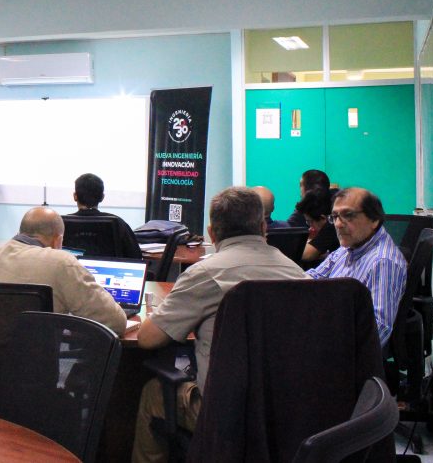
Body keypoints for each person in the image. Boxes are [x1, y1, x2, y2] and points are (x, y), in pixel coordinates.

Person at [132, 187, 310, 463]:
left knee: (152, 393)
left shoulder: (205, 274)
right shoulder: (298, 274)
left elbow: (148, 339)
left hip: (226, 412)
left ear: (212, 233)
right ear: (264, 227)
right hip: (289, 410)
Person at [0, 206, 127, 374]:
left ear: (21, 232)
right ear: (58, 240)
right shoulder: (60, 262)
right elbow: (116, 321)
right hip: (30, 380)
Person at [306, 188, 407, 346]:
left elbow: (378, 329)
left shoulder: (382, 262)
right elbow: (313, 278)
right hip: (325, 325)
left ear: (374, 220)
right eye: (335, 217)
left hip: (340, 348)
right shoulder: (349, 247)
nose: (338, 224)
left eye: (348, 215)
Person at [69, 172, 140, 258]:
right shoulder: (118, 223)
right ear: (102, 197)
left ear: (75, 196)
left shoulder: (60, 224)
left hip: (69, 271)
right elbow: (136, 257)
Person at [296, 188, 338, 263]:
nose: (311, 227)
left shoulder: (331, 226)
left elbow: (306, 255)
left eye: (310, 222)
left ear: (323, 218)